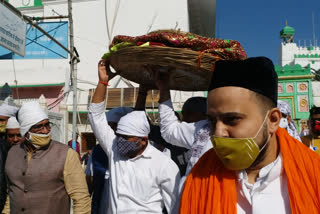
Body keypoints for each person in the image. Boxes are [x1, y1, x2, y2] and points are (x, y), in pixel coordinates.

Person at [179, 57, 320, 213]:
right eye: (212, 121)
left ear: (273, 120)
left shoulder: (314, 177)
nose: (218, 133)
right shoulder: (198, 179)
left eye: (232, 119)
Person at [88, 60, 180, 214]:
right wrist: (103, 81)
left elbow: (175, 207)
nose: (120, 141)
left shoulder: (164, 165)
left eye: (126, 137)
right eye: (119, 136)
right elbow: (95, 116)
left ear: (143, 140)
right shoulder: (114, 150)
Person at [4, 101, 91, 214]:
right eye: (38, 127)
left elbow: (81, 199)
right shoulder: (12, 153)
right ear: (26, 131)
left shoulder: (66, 154)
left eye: (47, 125)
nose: (45, 131)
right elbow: (10, 192)